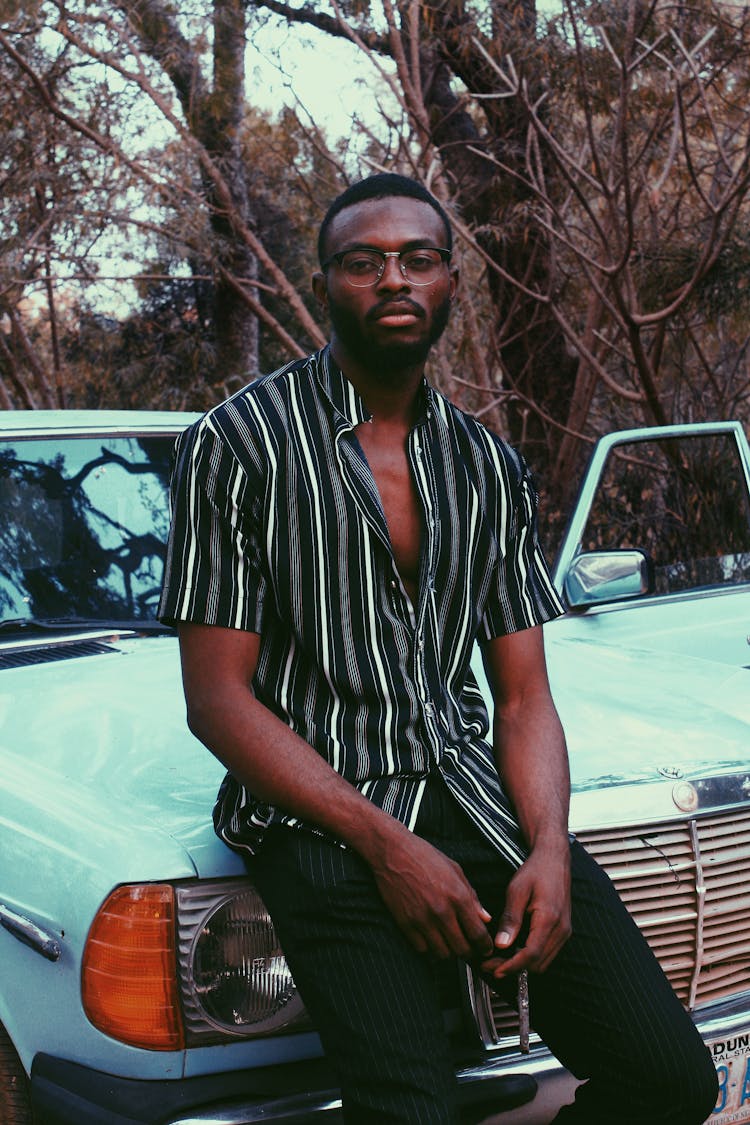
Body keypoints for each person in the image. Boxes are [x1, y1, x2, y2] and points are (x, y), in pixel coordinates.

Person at [159, 173, 718, 1124]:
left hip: (474, 795)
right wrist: (389, 848)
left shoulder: (486, 464)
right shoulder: (240, 443)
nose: (394, 280)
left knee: (669, 1079)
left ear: (452, 281)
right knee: (411, 1109)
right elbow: (217, 698)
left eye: (418, 258)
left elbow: (523, 696)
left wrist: (547, 846)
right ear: (329, 281)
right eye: (363, 261)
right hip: (322, 819)